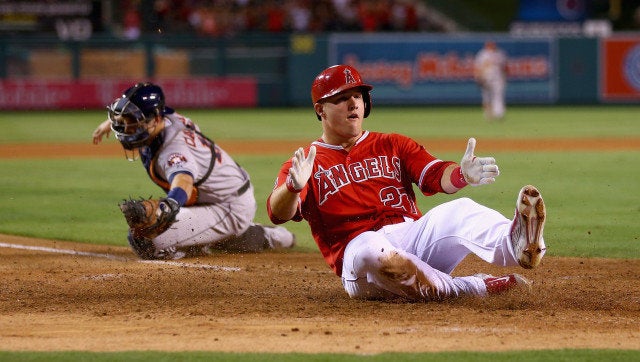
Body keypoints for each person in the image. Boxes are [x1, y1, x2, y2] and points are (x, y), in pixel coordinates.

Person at [267, 65, 546, 302]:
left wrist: (461, 175)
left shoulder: (392, 143)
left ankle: (516, 243)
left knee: (460, 208)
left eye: (358, 96)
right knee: (369, 248)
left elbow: (435, 175)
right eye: (342, 98)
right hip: (361, 261)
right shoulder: (306, 163)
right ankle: (473, 287)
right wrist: (293, 187)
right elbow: (278, 214)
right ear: (321, 110)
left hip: (412, 239)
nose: (353, 103)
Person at [92, 82, 295, 260]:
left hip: (229, 205)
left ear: (154, 119)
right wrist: (109, 123)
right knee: (198, 233)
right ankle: (257, 235)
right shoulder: (167, 118)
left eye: (130, 121)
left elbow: (183, 180)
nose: (124, 126)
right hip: (218, 195)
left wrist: (170, 205)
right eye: (123, 119)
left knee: (144, 239)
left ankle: (209, 241)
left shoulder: (173, 149)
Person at [474, 41, 508, 120]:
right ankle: (488, 114)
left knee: (498, 96)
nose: (492, 46)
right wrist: (478, 77)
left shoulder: (500, 54)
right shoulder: (482, 54)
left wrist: (505, 77)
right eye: (489, 45)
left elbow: (504, 67)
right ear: (486, 46)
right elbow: (477, 67)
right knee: (486, 97)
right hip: (486, 78)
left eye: (493, 45)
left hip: (498, 78)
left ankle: (499, 114)